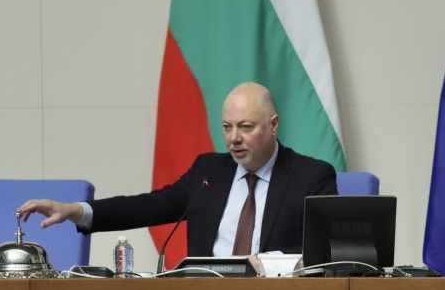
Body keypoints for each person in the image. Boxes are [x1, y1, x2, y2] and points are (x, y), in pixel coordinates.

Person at [17, 82, 337, 256]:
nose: (234, 138)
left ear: (273, 125)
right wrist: (75, 210)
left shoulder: (311, 176)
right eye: (227, 127)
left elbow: (327, 247)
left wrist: (267, 264)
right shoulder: (209, 172)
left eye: (246, 127)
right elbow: (145, 207)